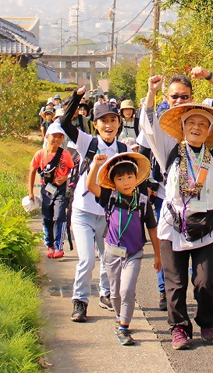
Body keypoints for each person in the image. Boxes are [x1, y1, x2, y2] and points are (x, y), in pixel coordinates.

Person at [141, 75, 213, 351]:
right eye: (190, 123)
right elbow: (148, 126)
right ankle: (179, 328)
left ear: (209, 131)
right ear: (182, 128)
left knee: (206, 281)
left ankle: (206, 321)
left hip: (206, 226)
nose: (196, 128)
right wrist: (150, 92)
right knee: (176, 283)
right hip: (173, 225)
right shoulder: (169, 149)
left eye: (202, 124)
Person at [60, 86, 130, 323]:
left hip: (109, 213)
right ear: (95, 124)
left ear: (119, 123)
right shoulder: (87, 142)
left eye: (113, 120)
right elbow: (63, 122)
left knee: (108, 258)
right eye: (103, 121)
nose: (108, 125)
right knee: (87, 259)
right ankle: (79, 301)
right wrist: (77, 97)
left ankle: (105, 293)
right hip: (83, 212)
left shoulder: (124, 150)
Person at [84, 151, 162, 346]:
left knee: (127, 289)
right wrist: (95, 165)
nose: (126, 181)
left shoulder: (143, 201)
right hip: (112, 252)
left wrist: (158, 255)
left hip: (134, 253)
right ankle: (120, 316)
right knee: (116, 291)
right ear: (113, 182)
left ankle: (124, 327)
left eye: (130, 177)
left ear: (136, 178)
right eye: (120, 178)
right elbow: (90, 185)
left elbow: (152, 229)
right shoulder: (110, 197)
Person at [28, 121, 75, 258]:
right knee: (47, 217)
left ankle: (59, 247)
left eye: (60, 136)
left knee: (59, 216)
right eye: (54, 136)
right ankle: (50, 245)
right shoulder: (40, 154)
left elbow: (73, 170)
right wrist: (31, 192)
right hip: (46, 189)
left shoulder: (65, 154)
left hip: (60, 189)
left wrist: (66, 177)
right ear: (47, 137)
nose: (56, 139)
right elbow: (32, 171)